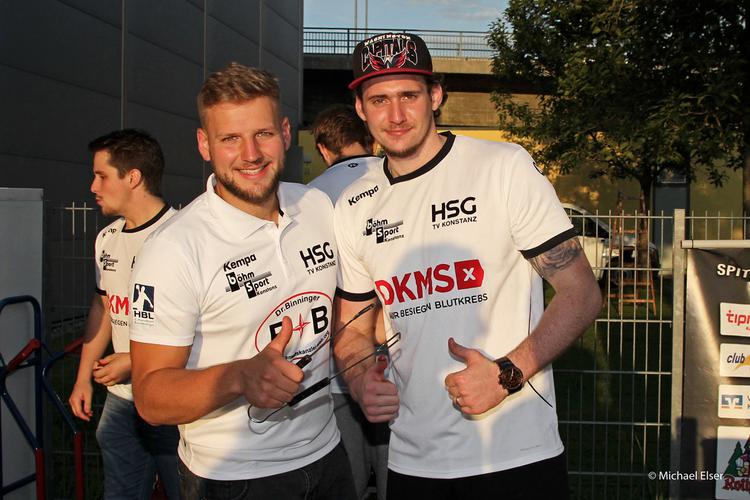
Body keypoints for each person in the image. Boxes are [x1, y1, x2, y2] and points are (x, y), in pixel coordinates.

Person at [332, 33, 603, 500]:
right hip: (413, 462)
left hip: (516, 454)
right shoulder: (355, 205)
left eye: (409, 96)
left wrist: (507, 373)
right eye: (379, 100)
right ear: (360, 108)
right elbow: (353, 328)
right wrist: (359, 381)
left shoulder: (502, 166)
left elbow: (581, 293)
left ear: (435, 95)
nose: (395, 115)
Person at [128, 62, 356, 500]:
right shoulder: (173, 248)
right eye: (230, 138)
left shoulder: (317, 207)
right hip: (233, 478)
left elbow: (347, 309)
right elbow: (151, 397)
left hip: (328, 455)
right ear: (204, 144)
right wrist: (238, 377)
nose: (250, 154)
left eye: (263, 134)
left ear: (285, 133)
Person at [68, 128, 180, 499]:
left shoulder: (183, 237)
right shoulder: (107, 238)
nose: (93, 187)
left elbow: (206, 326)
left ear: (133, 177)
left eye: (101, 176)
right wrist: (83, 378)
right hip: (121, 401)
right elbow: (103, 306)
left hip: (174, 398)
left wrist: (133, 360)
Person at [309, 104, 389, 500]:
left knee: (347, 485)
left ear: (324, 150)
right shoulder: (396, 180)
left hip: (335, 369)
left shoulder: (310, 198)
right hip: (397, 361)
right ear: (371, 139)